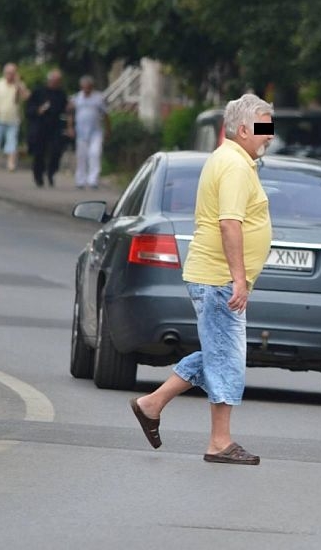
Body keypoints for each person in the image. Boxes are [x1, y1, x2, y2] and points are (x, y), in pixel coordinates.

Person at [130, 93, 274, 465]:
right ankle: (219, 442)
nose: (269, 136)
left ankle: (152, 403)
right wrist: (238, 279)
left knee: (217, 351)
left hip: (216, 276)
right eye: (263, 128)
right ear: (243, 129)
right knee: (226, 356)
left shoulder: (234, 159)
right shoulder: (234, 165)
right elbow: (230, 223)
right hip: (219, 278)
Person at [25, 69, 69, 187]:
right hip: (40, 127)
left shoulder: (61, 94)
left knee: (56, 151)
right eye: (54, 80)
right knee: (39, 153)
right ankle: (38, 176)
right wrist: (38, 110)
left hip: (55, 127)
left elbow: (66, 111)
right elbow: (29, 109)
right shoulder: (38, 92)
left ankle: (51, 172)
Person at [66, 75, 110, 189]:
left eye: (88, 87)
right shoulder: (77, 98)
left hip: (96, 132)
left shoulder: (98, 98)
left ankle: (93, 180)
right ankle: (80, 180)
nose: (86, 90)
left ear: (91, 87)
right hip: (81, 132)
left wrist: (108, 129)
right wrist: (70, 127)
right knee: (81, 156)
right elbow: (70, 114)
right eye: (84, 87)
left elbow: (105, 115)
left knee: (95, 154)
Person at [0, 63, 30, 173]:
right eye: (8, 73)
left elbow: (26, 96)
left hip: (13, 119)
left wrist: (19, 83)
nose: (10, 75)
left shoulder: (19, 85)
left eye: (13, 73)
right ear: (5, 73)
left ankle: (11, 163)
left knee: (12, 142)